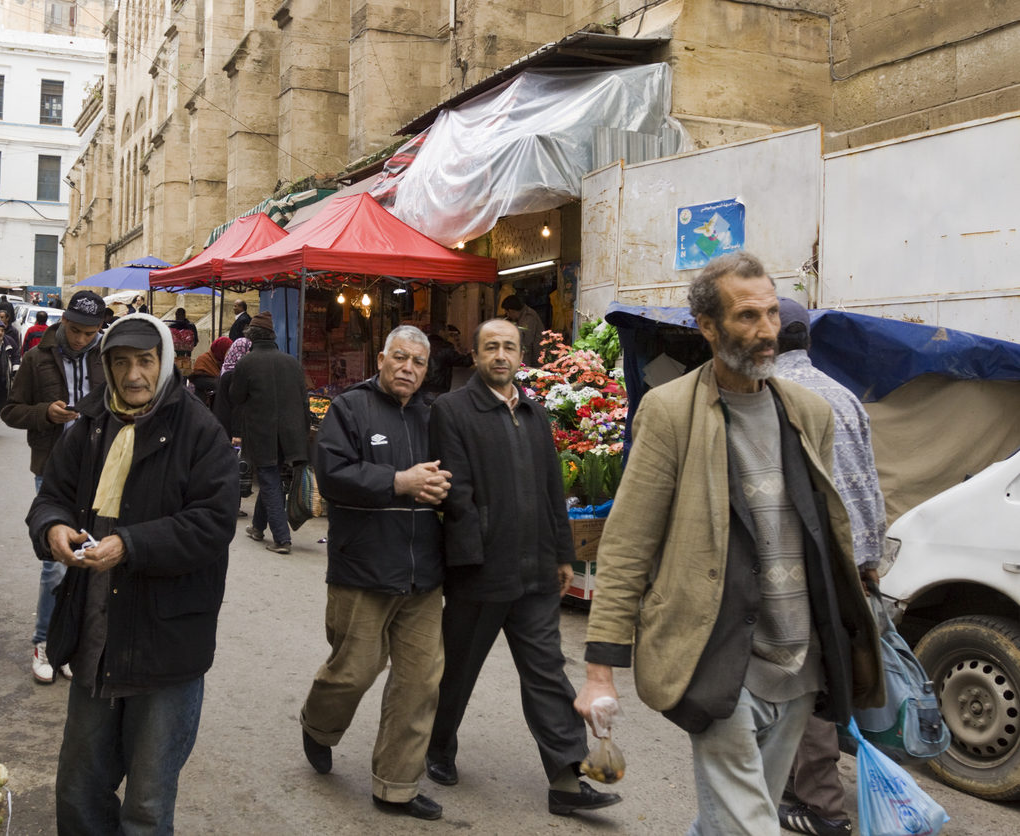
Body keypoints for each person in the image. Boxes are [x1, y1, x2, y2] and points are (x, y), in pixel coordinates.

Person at [574, 251, 884, 835]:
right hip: (717, 660)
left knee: (734, 818)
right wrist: (600, 668)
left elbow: (827, 530)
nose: (766, 331)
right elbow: (626, 546)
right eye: (747, 317)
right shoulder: (670, 414)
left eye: (771, 314)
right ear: (708, 326)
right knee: (750, 826)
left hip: (800, 662)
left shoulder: (810, 413)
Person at [26, 314, 237, 833]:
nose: (133, 374)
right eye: (121, 362)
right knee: (78, 789)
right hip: (96, 636)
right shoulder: (91, 425)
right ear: (106, 366)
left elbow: (212, 523)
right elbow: (51, 496)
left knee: (146, 801)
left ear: (165, 361)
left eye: (145, 360)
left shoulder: (200, 431)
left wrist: (132, 545)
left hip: (165, 643)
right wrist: (52, 528)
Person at [426, 317, 620, 817]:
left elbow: (553, 494)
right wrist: (469, 561)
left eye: (508, 347)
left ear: (521, 355)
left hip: (535, 573)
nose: (500, 355)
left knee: (547, 674)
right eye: (490, 346)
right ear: (475, 355)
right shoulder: (451, 410)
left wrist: (563, 556)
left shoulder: (534, 415)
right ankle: (437, 746)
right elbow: (457, 493)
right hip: (482, 572)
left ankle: (566, 780)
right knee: (457, 671)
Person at [299, 326, 451, 821]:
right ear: (382, 359)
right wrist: (399, 482)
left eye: (418, 362)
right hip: (363, 568)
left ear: (428, 370)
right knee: (354, 669)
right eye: (400, 358)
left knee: (420, 681)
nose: (408, 368)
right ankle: (319, 726)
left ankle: (396, 786)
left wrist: (443, 491)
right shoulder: (350, 409)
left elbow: (455, 475)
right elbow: (333, 475)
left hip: (422, 574)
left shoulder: (434, 416)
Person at [774, 297, 888, 836]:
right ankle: (797, 791)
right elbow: (868, 481)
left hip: (801, 565)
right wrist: (869, 562)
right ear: (808, 341)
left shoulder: (770, 397)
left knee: (801, 679)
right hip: (848, 562)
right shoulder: (842, 395)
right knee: (824, 672)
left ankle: (822, 807)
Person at [2, 291, 106, 685]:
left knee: (93, 558)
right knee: (55, 564)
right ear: (64, 321)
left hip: (98, 471)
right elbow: (10, 411)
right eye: (76, 330)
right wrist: (45, 413)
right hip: (52, 471)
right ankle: (44, 642)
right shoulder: (36, 357)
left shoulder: (106, 355)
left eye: (90, 333)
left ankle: (70, 643)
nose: (81, 339)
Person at [228, 311, 310, 554]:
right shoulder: (292, 363)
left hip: (262, 432)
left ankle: (282, 538)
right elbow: (304, 402)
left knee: (269, 478)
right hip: (291, 434)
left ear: (251, 337)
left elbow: (235, 397)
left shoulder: (247, 362)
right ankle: (257, 527)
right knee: (271, 478)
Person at [423, 324, 473, 403]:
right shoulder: (445, 347)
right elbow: (464, 361)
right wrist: (475, 353)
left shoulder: (422, 345)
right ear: (441, 332)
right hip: (438, 390)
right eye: (446, 331)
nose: (448, 334)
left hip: (422, 389)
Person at [500, 295, 545, 368]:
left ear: (511, 310)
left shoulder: (529, 316)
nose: (508, 316)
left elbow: (526, 341)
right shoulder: (522, 315)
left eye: (507, 313)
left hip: (535, 357)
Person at [189, 336, 231, 408]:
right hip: (204, 404)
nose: (229, 354)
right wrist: (219, 383)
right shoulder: (204, 359)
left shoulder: (225, 363)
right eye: (228, 351)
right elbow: (197, 379)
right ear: (221, 350)